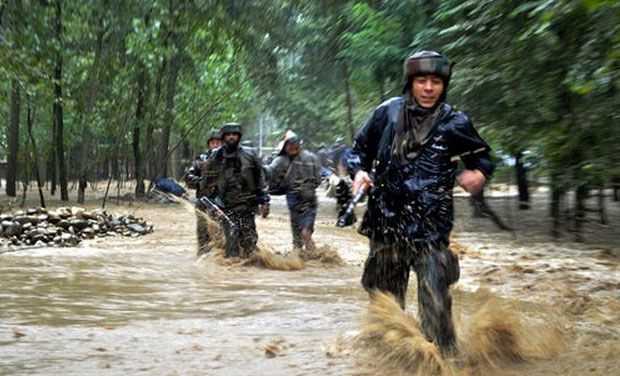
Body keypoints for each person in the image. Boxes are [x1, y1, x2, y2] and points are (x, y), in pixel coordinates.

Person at [346, 50, 494, 355]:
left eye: (436, 82)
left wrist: (478, 173)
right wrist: (359, 172)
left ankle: (441, 363)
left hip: (432, 228)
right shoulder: (386, 113)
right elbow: (358, 150)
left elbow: (482, 157)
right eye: (422, 81)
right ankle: (385, 365)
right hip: (386, 224)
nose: (429, 88)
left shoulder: (455, 122)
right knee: (384, 310)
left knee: (437, 309)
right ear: (410, 82)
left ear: (444, 84)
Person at [200, 123, 270, 258]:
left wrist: (265, 199)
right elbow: (207, 183)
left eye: (234, 134)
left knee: (249, 241)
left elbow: (260, 177)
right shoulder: (216, 157)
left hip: (247, 204)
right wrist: (212, 204)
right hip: (225, 206)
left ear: (239, 136)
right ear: (224, 137)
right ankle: (232, 271)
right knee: (231, 241)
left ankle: (247, 271)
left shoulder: (250, 154)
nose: (231, 137)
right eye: (228, 135)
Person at [265, 131, 322, 253]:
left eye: (295, 143)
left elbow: (318, 179)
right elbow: (269, 172)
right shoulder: (281, 160)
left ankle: (314, 255)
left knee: (305, 232)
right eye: (289, 144)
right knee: (297, 233)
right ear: (285, 146)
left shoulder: (310, 158)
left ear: (299, 145)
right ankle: (303, 257)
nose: (292, 146)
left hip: (308, 200)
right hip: (294, 200)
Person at [183, 129, 222, 256]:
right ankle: (204, 256)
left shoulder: (229, 160)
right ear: (209, 144)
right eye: (213, 143)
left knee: (222, 233)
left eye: (218, 142)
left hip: (223, 204)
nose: (215, 145)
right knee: (203, 233)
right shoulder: (201, 160)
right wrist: (201, 181)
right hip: (203, 203)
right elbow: (188, 178)